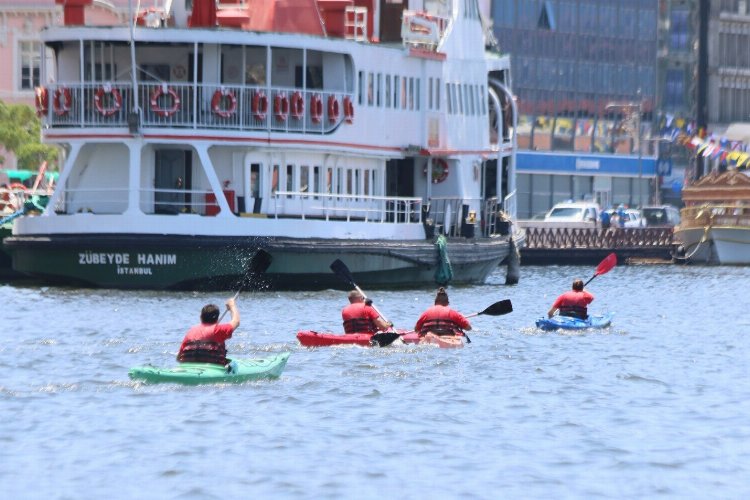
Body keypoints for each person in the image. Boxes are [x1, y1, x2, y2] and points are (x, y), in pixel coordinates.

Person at [177, 297, 240, 365]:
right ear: (217, 318)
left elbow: (179, 357)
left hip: (188, 366)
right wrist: (232, 306)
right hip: (212, 367)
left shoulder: (191, 331)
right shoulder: (218, 330)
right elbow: (236, 321)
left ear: (201, 317)